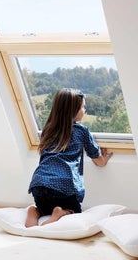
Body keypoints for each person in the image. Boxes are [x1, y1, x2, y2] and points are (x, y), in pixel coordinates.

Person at [25, 88, 113, 228]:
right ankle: (59, 213)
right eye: (83, 107)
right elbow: (99, 160)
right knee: (76, 211)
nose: (85, 110)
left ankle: (35, 211)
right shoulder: (81, 131)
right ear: (73, 109)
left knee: (44, 206)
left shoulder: (48, 130)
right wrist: (105, 158)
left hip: (39, 183)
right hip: (64, 184)